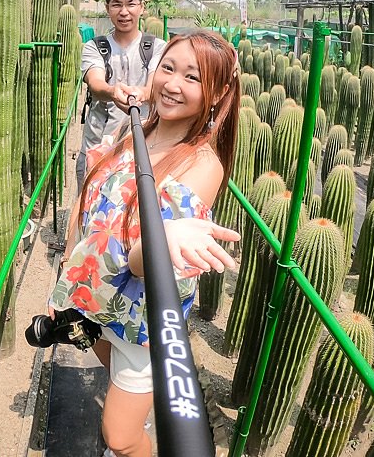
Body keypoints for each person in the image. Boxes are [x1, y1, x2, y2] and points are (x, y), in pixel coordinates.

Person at [49, 29, 242, 457]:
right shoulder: (143, 129)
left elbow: (142, 265)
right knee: (105, 357)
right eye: (168, 68)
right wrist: (66, 280)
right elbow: (91, 211)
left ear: (217, 93)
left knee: (119, 436)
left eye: (192, 78)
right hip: (98, 297)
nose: (173, 83)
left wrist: (163, 237)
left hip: (140, 321)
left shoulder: (201, 163)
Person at [78, 0, 167, 193]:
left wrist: (143, 94)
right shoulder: (95, 47)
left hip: (143, 148)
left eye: (131, 4)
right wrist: (112, 91)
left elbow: (154, 85)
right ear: (107, 8)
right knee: (90, 211)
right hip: (98, 147)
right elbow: (96, 83)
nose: (124, 12)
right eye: (117, 4)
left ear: (142, 7)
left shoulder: (158, 47)